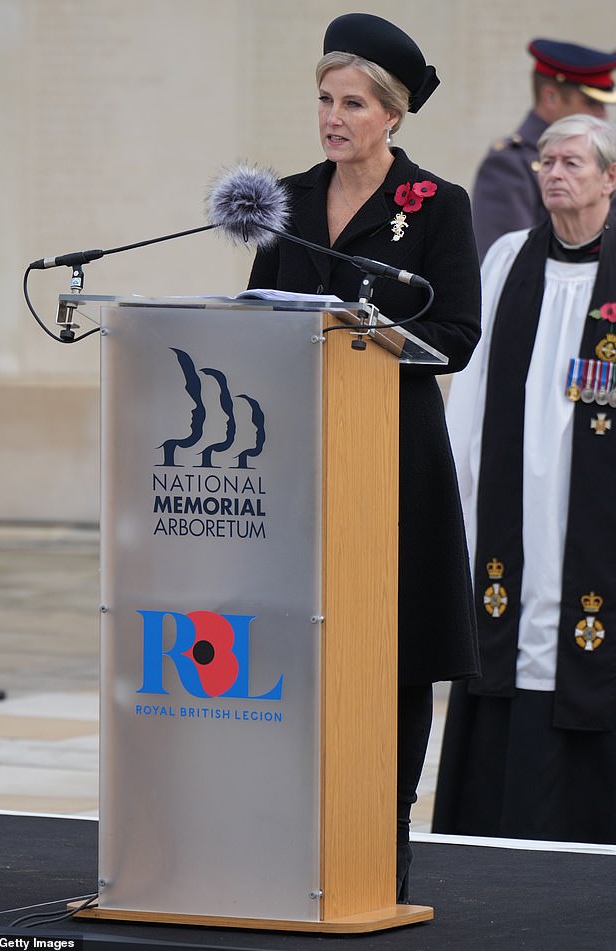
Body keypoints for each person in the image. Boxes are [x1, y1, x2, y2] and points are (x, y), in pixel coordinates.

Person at [247, 12, 481, 901]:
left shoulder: (437, 205)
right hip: (295, 460)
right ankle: (282, 840)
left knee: (391, 652)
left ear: (393, 114)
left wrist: (363, 331)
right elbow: (256, 313)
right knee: (296, 647)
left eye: (352, 102)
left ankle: (379, 850)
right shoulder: (285, 199)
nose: (332, 117)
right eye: (323, 99)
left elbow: (456, 334)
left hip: (392, 462)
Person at [432, 114, 616, 844]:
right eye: (545, 161)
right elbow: (470, 394)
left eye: (572, 161)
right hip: (514, 512)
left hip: (594, 513)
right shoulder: (509, 259)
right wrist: (455, 499)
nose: (554, 173)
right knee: (509, 635)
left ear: (610, 178)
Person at [471, 39, 616, 260]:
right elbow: (508, 262)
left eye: (571, 163)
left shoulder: (603, 158)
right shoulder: (509, 164)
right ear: (550, 97)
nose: (602, 114)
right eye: (591, 103)